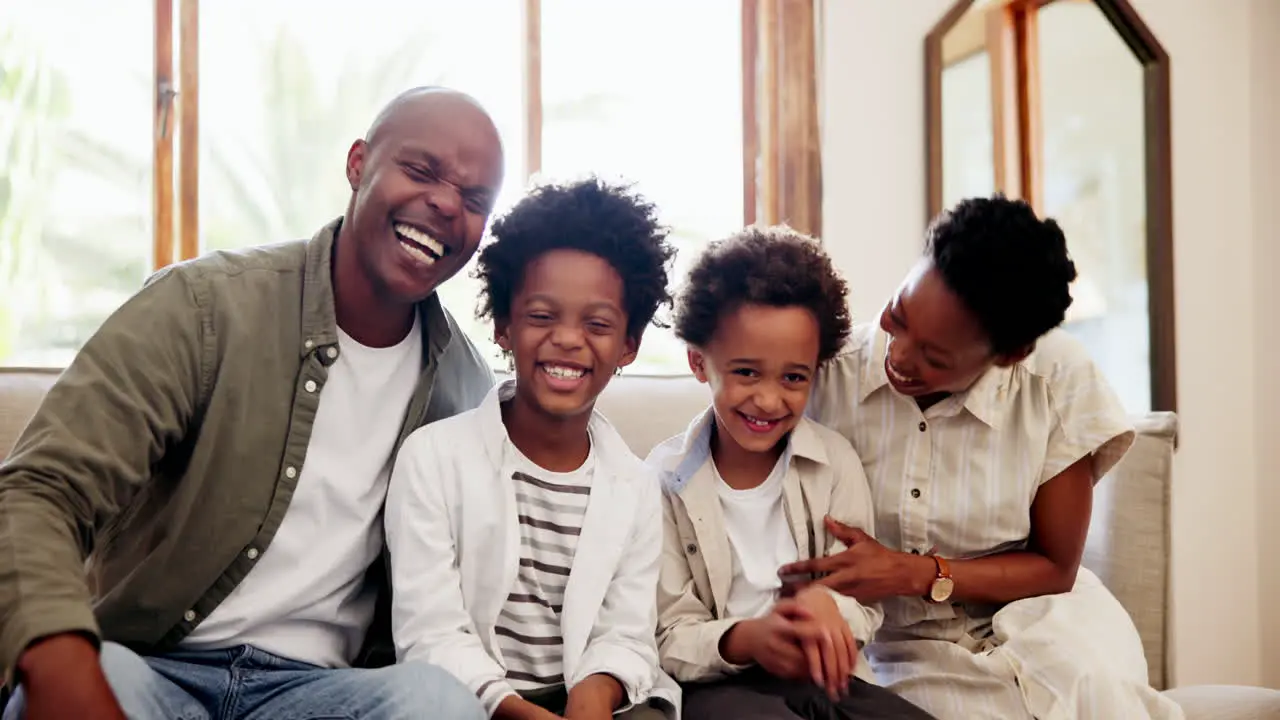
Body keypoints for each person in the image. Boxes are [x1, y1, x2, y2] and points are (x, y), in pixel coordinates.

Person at [0, 86, 504, 720]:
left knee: (436, 702)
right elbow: (39, 489)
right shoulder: (205, 308)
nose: (444, 204)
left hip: (321, 693)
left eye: (474, 199)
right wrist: (60, 659)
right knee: (95, 672)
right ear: (358, 164)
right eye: (421, 170)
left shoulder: (464, 389)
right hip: (152, 668)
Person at [782, 195, 1185, 720]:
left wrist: (912, 572)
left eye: (935, 357)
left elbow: (1055, 567)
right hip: (899, 643)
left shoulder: (1053, 379)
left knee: (1095, 690)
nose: (899, 355)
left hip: (1046, 618)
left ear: (1008, 355)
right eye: (898, 315)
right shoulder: (823, 376)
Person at [384, 177, 680, 720]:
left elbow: (627, 633)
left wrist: (595, 694)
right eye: (542, 316)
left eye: (597, 324)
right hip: (474, 700)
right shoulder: (432, 459)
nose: (568, 339)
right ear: (503, 326)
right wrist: (511, 707)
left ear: (628, 346)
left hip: (590, 702)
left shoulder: (635, 486)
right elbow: (430, 632)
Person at [647, 227, 937, 720]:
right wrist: (748, 639)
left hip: (824, 677)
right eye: (745, 373)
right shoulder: (661, 479)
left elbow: (864, 607)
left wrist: (828, 608)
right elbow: (667, 633)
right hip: (718, 684)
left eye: (793, 378)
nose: (768, 399)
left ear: (816, 372)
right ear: (700, 363)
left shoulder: (834, 463)